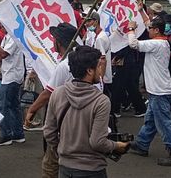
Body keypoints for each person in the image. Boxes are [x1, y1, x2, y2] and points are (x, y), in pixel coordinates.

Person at [44, 45, 130, 178]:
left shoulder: (58, 93)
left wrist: (63, 150)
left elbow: (49, 132)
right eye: (99, 66)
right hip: (92, 169)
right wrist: (116, 145)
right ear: (90, 71)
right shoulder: (101, 101)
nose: (101, 70)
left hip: (65, 168)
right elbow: (98, 142)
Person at [126, 15, 171, 167]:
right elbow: (149, 26)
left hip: (159, 90)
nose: (148, 30)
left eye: (151, 29)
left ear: (157, 30)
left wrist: (131, 28)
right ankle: (142, 144)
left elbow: (133, 44)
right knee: (151, 120)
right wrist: (141, 11)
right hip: (158, 89)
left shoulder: (156, 44)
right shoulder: (162, 42)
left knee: (164, 123)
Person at [24, 22, 79, 178]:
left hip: (64, 120)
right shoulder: (81, 58)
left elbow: (47, 93)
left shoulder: (65, 65)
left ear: (59, 42)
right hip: (79, 120)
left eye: (53, 38)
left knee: (51, 166)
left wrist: (32, 110)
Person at [0, 23, 25, 146]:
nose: (1, 27)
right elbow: (2, 57)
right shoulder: (8, 37)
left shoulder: (14, 37)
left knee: (3, 106)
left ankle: (6, 135)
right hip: (10, 74)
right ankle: (18, 134)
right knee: (14, 105)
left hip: (12, 76)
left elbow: (3, 54)